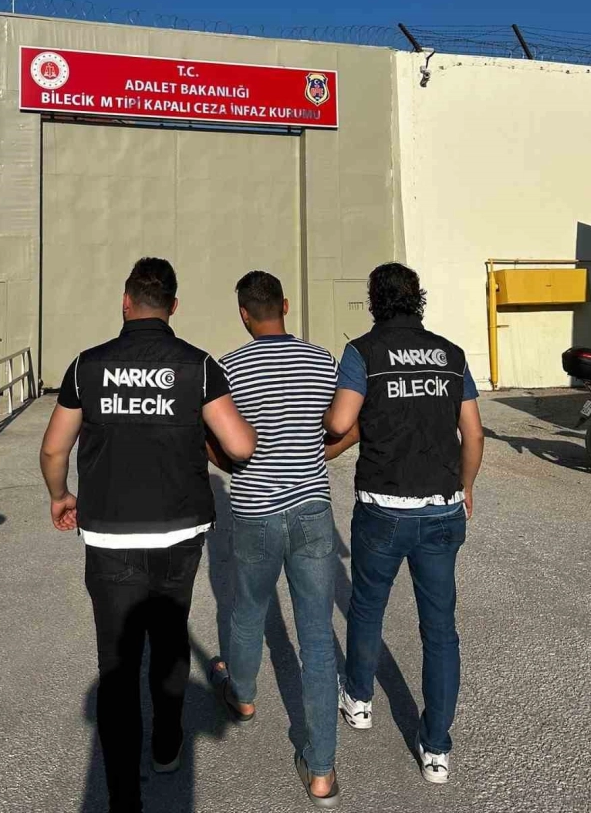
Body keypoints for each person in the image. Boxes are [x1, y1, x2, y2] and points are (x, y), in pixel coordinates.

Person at [39, 257, 256, 813]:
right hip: (179, 535)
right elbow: (239, 446)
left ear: (125, 301)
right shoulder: (198, 366)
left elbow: (54, 448)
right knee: (169, 639)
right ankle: (165, 745)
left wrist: (61, 496)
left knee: (116, 667)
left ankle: (123, 798)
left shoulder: (87, 367)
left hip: (109, 537)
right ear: (173, 307)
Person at [324, 263, 484, 785]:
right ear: (418, 299)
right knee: (440, 630)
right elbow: (473, 434)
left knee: (367, 608)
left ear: (374, 300)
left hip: (383, 508)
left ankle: (359, 701)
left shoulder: (363, 352)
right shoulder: (450, 354)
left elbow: (339, 423)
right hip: (441, 507)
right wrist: (466, 486)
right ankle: (436, 750)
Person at [208, 271, 358, 810]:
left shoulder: (228, 367)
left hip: (254, 509)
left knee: (248, 610)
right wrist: (317, 455)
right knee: (316, 636)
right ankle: (321, 771)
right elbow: (347, 426)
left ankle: (244, 698)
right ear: (286, 306)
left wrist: (232, 465)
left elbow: (214, 441)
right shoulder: (322, 360)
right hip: (312, 510)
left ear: (244, 314)